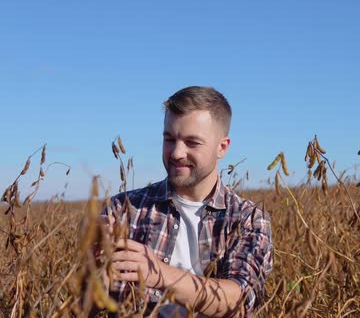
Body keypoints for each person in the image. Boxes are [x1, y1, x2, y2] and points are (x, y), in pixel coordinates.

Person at [101, 86, 273, 317]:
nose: (176, 153)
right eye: (169, 139)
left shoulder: (247, 219)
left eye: (192, 143)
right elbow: (84, 306)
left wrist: (157, 273)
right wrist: (95, 274)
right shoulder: (121, 210)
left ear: (222, 147)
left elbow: (238, 301)